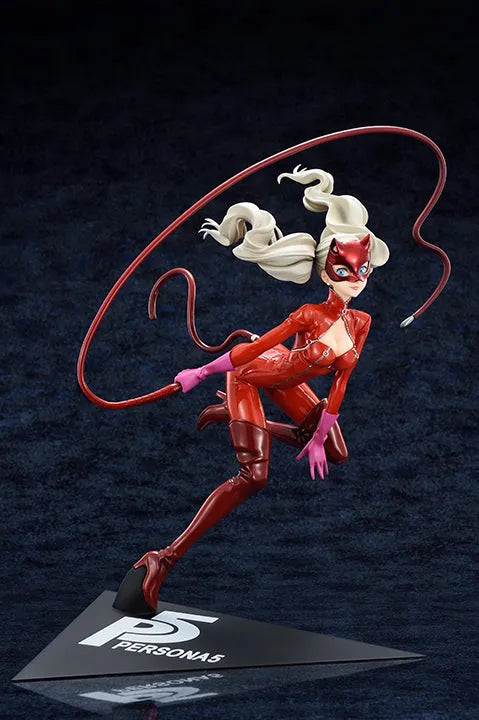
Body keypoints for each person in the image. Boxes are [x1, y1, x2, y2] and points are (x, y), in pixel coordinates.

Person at [113, 167, 390, 616]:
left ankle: (239, 419)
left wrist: (319, 435)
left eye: (363, 270)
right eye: (344, 269)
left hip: (287, 379)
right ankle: (161, 559)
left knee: (335, 451)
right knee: (254, 477)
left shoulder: (361, 322)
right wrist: (200, 372)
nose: (355, 278)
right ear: (326, 271)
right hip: (253, 374)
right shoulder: (308, 314)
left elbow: (342, 382)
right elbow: (252, 351)